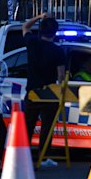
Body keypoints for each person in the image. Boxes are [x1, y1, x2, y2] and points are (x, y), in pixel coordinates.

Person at [22, 12, 66, 168]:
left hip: (33, 91)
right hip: (50, 93)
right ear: (55, 32)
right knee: (47, 126)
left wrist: (39, 17)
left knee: (28, 125)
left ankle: (23, 155)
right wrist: (61, 91)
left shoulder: (32, 43)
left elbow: (25, 26)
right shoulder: (58, 51)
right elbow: (61, 75)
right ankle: (44, 156)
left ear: (40, 30)